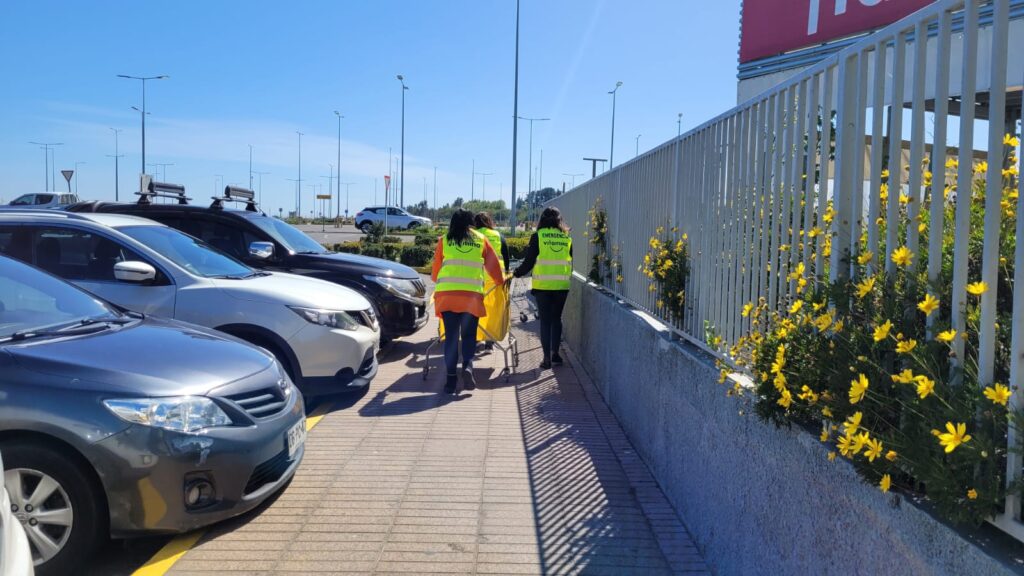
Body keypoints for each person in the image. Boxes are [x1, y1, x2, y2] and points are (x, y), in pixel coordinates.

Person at [432, 208, 505, 394]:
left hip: (448, 296)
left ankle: (450, 381)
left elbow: (435, 273)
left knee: (450, 338)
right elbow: (494, 267)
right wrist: (500, 282)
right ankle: (468, 366)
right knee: (469, 336)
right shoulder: (481, 240)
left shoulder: (444, 240)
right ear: (471, 222)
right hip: (471, 297)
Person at [512, 207, 572, 370]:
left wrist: (517, 273)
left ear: (542, 220)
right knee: (556, 319)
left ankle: (546, 358)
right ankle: (556, 354)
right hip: (561, 285)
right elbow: (569, 260)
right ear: (559, 220)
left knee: (545, 321)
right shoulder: (566, 237)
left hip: (543, 286)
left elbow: (529, 261)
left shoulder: (538, 236)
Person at [473, 212, 509, 351]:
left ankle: (476, 338)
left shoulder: (473, 237)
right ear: (489, 221)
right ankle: (489, 341)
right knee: (492, 311)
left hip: (477, 278)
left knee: (476, 310)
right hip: (495, 280)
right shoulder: (498, 236)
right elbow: (505, 259)